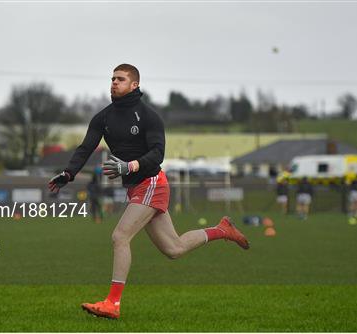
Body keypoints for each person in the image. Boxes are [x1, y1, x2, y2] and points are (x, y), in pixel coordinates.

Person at [48, 64, 249, 319]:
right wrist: (68, 173)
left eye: (120, 79)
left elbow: (157, 155)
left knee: (120, 236)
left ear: (134, 85)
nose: (113, 83)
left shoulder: (149, 116)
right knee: (173, 249)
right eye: (112, 78)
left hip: (153, 182)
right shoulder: (103, 117)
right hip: (136, 188)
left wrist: (129, 165)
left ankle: (113, 303)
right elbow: (86, 147)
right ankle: (222, 230)